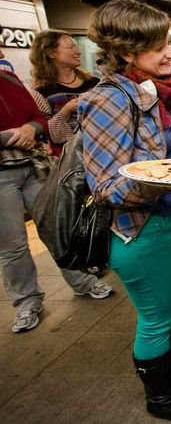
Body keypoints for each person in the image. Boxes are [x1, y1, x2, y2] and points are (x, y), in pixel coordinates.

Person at [80, 0, 171, 421]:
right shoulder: (109, 101)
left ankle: (167, 357)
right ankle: (161, 397)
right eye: (160, 47)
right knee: (156, 317)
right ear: (127, 53)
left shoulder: (159, 90)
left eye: (170, 43)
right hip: (138, 228)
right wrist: (167, 179)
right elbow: (105, 186)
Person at [1, 71, 112, 335]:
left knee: (59, 226)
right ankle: (27, 301)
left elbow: (40, 118)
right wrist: (11, 136)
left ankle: (83, 281)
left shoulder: (9, 78)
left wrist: (31, 128)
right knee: (13, 244)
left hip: (35, 165)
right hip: (2, 175)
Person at [29, 30, 99, 156]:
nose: (78, 52)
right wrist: (67, 110)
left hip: (101, 150)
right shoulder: (40, 92)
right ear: (51, 53)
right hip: (71, 159)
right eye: (71, 47)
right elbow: (51, 135)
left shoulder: (94, 83)